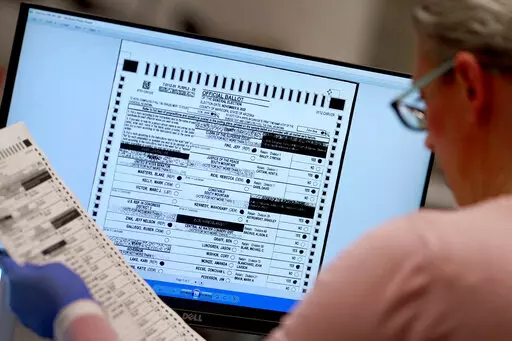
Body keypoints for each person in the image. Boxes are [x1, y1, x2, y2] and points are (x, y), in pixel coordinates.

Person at [4, 0, 512, 340]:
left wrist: (75, 313)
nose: (425, 137)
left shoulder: (425, 260)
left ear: (469, 85)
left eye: (422, 103)